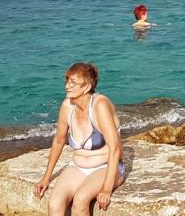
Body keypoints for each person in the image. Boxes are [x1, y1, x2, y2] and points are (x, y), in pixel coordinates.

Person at [34, 62, 125, 214]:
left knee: (81, 199)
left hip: (107, 166)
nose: (67, 86)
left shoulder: (99, 105)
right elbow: (59, 141)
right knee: (54, 203)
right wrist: (46, 177)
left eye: (73, 83)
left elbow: (115, 149)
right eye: (67, 81)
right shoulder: (67, 106)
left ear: (87, 87)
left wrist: (107, 189)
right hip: (78, 167)